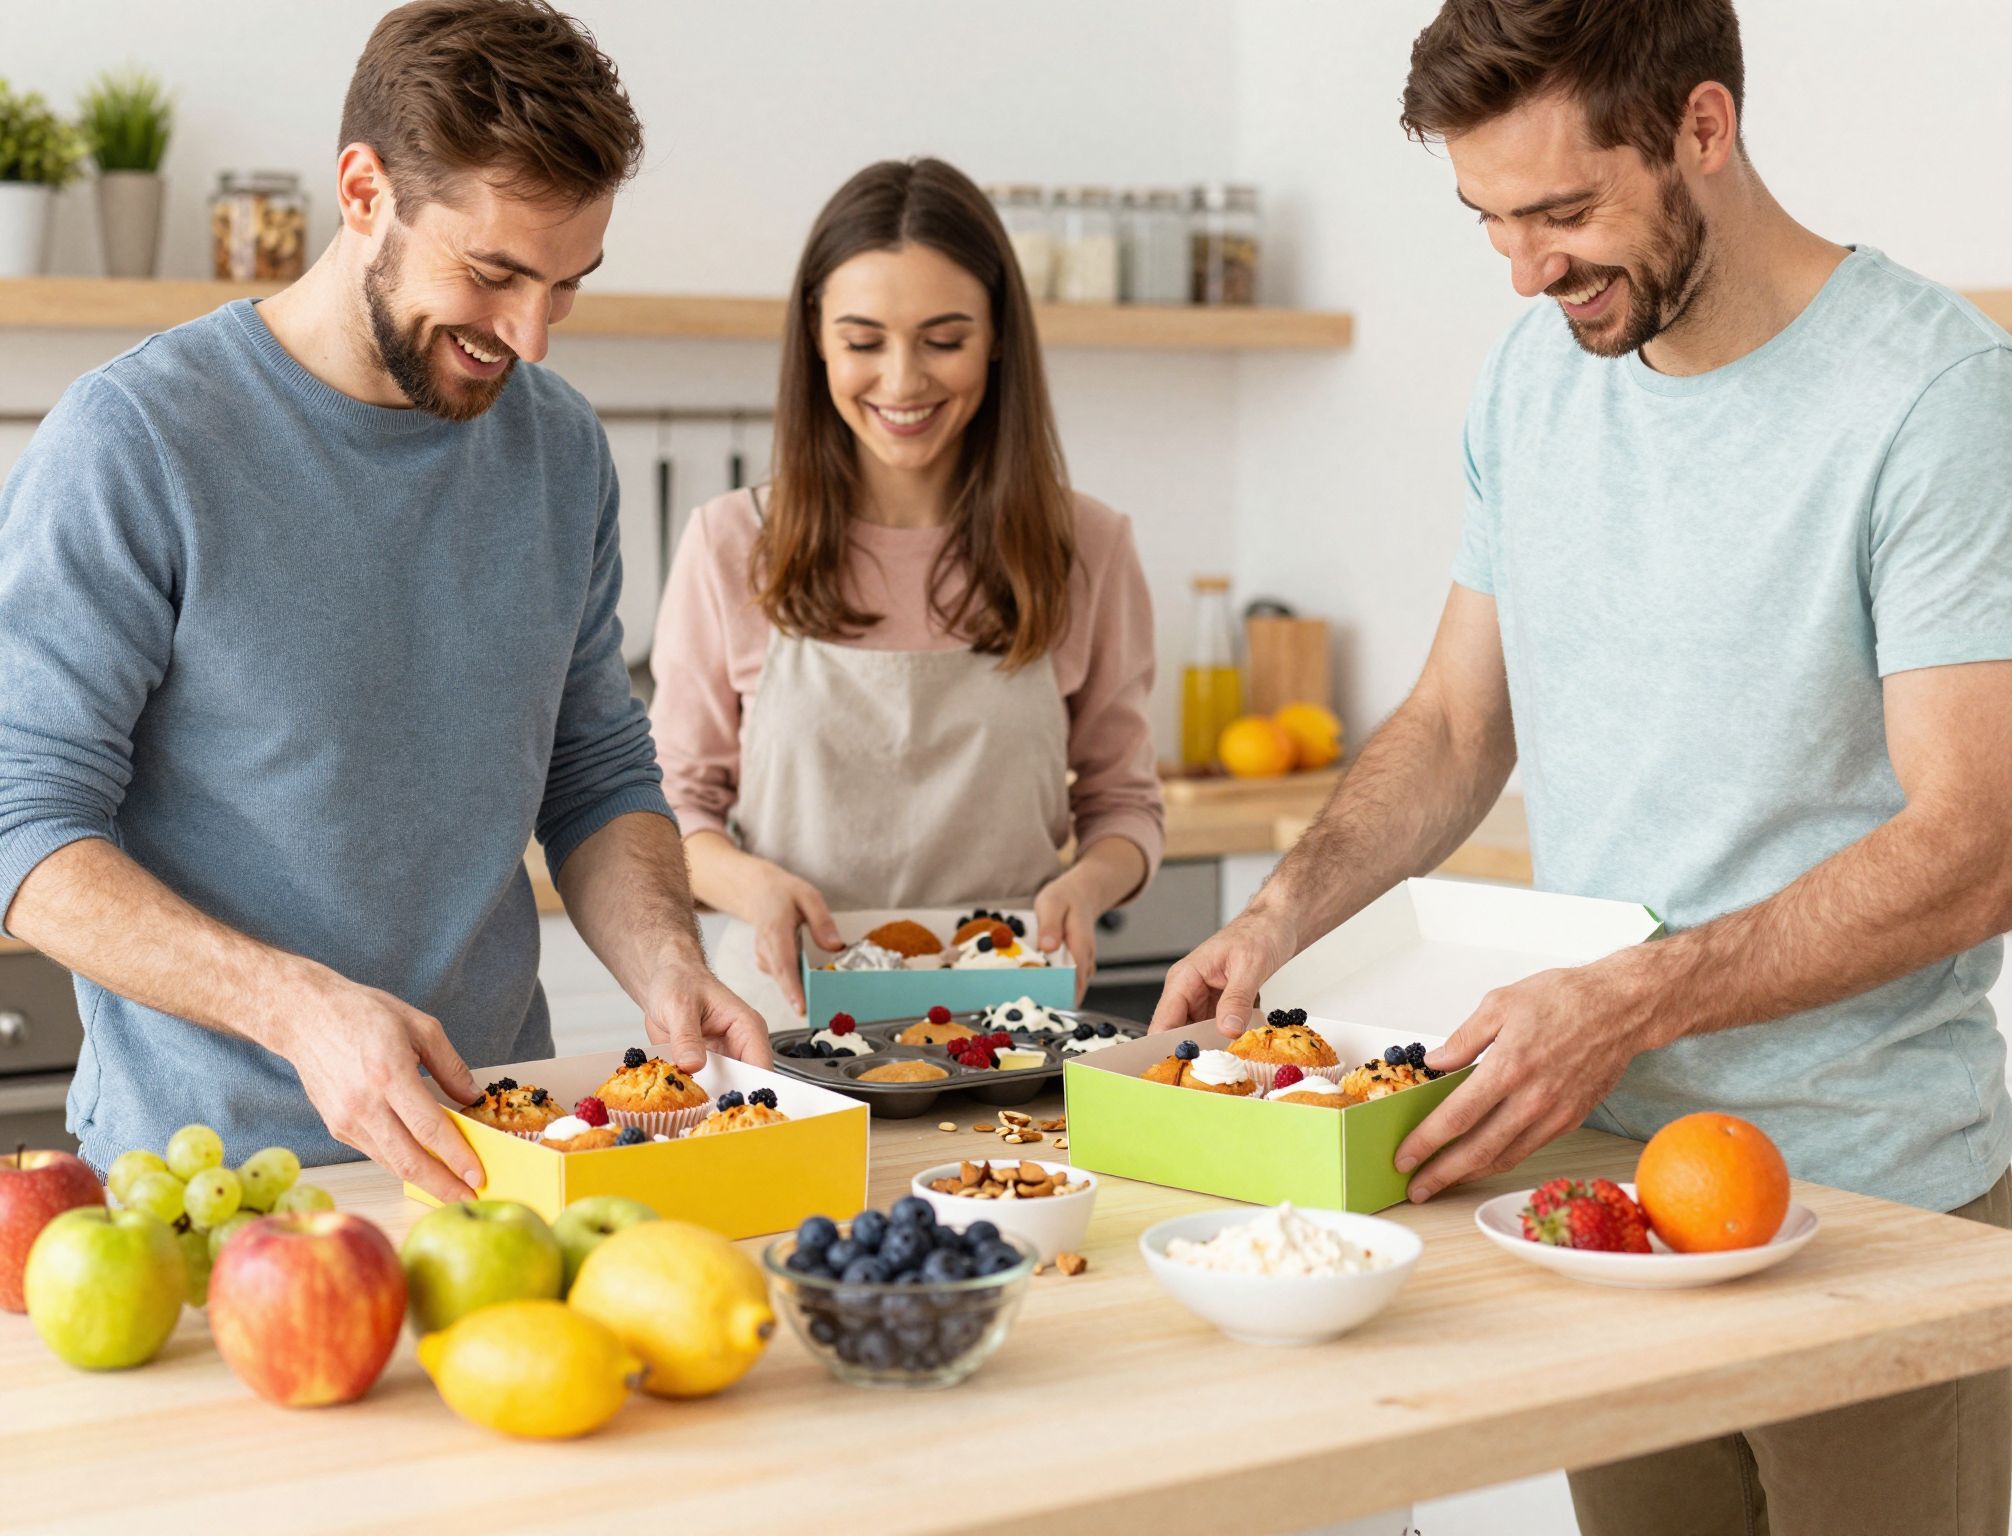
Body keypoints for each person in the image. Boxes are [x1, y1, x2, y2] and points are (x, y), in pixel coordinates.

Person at [1152, 2, 2012, 1531]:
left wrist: (1629, 1001)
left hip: (1862, 1200)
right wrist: (1275, 920)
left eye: (1564, 212)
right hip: (1587, 1191)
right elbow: (1451, 728)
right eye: (1490, 222)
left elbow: (1975, 850)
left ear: (1705, 129)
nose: (1527, 268)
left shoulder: (1945, 402)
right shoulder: (1535, 377)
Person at [0, 0, 765, 1204]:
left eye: (566, 284)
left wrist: (666, 966)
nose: (532, 337)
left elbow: (594, 771)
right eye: (494, 273)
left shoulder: (558, 450)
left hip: (497, 1160)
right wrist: (297, 1010)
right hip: (202, 1185)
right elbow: (22, 823)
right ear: (364, 193)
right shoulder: (136, 441)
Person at [649, 157, 1163, 1029]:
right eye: (863, 342)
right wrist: (752, 885)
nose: (901, 381)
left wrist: (1088, 883)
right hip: (782, 1026)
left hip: (1006, 1022)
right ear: (815, 339)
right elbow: (669, 808)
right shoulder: (729, 543)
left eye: (944, 339)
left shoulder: (1091, 548)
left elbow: (1124, 804)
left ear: (999, 336)